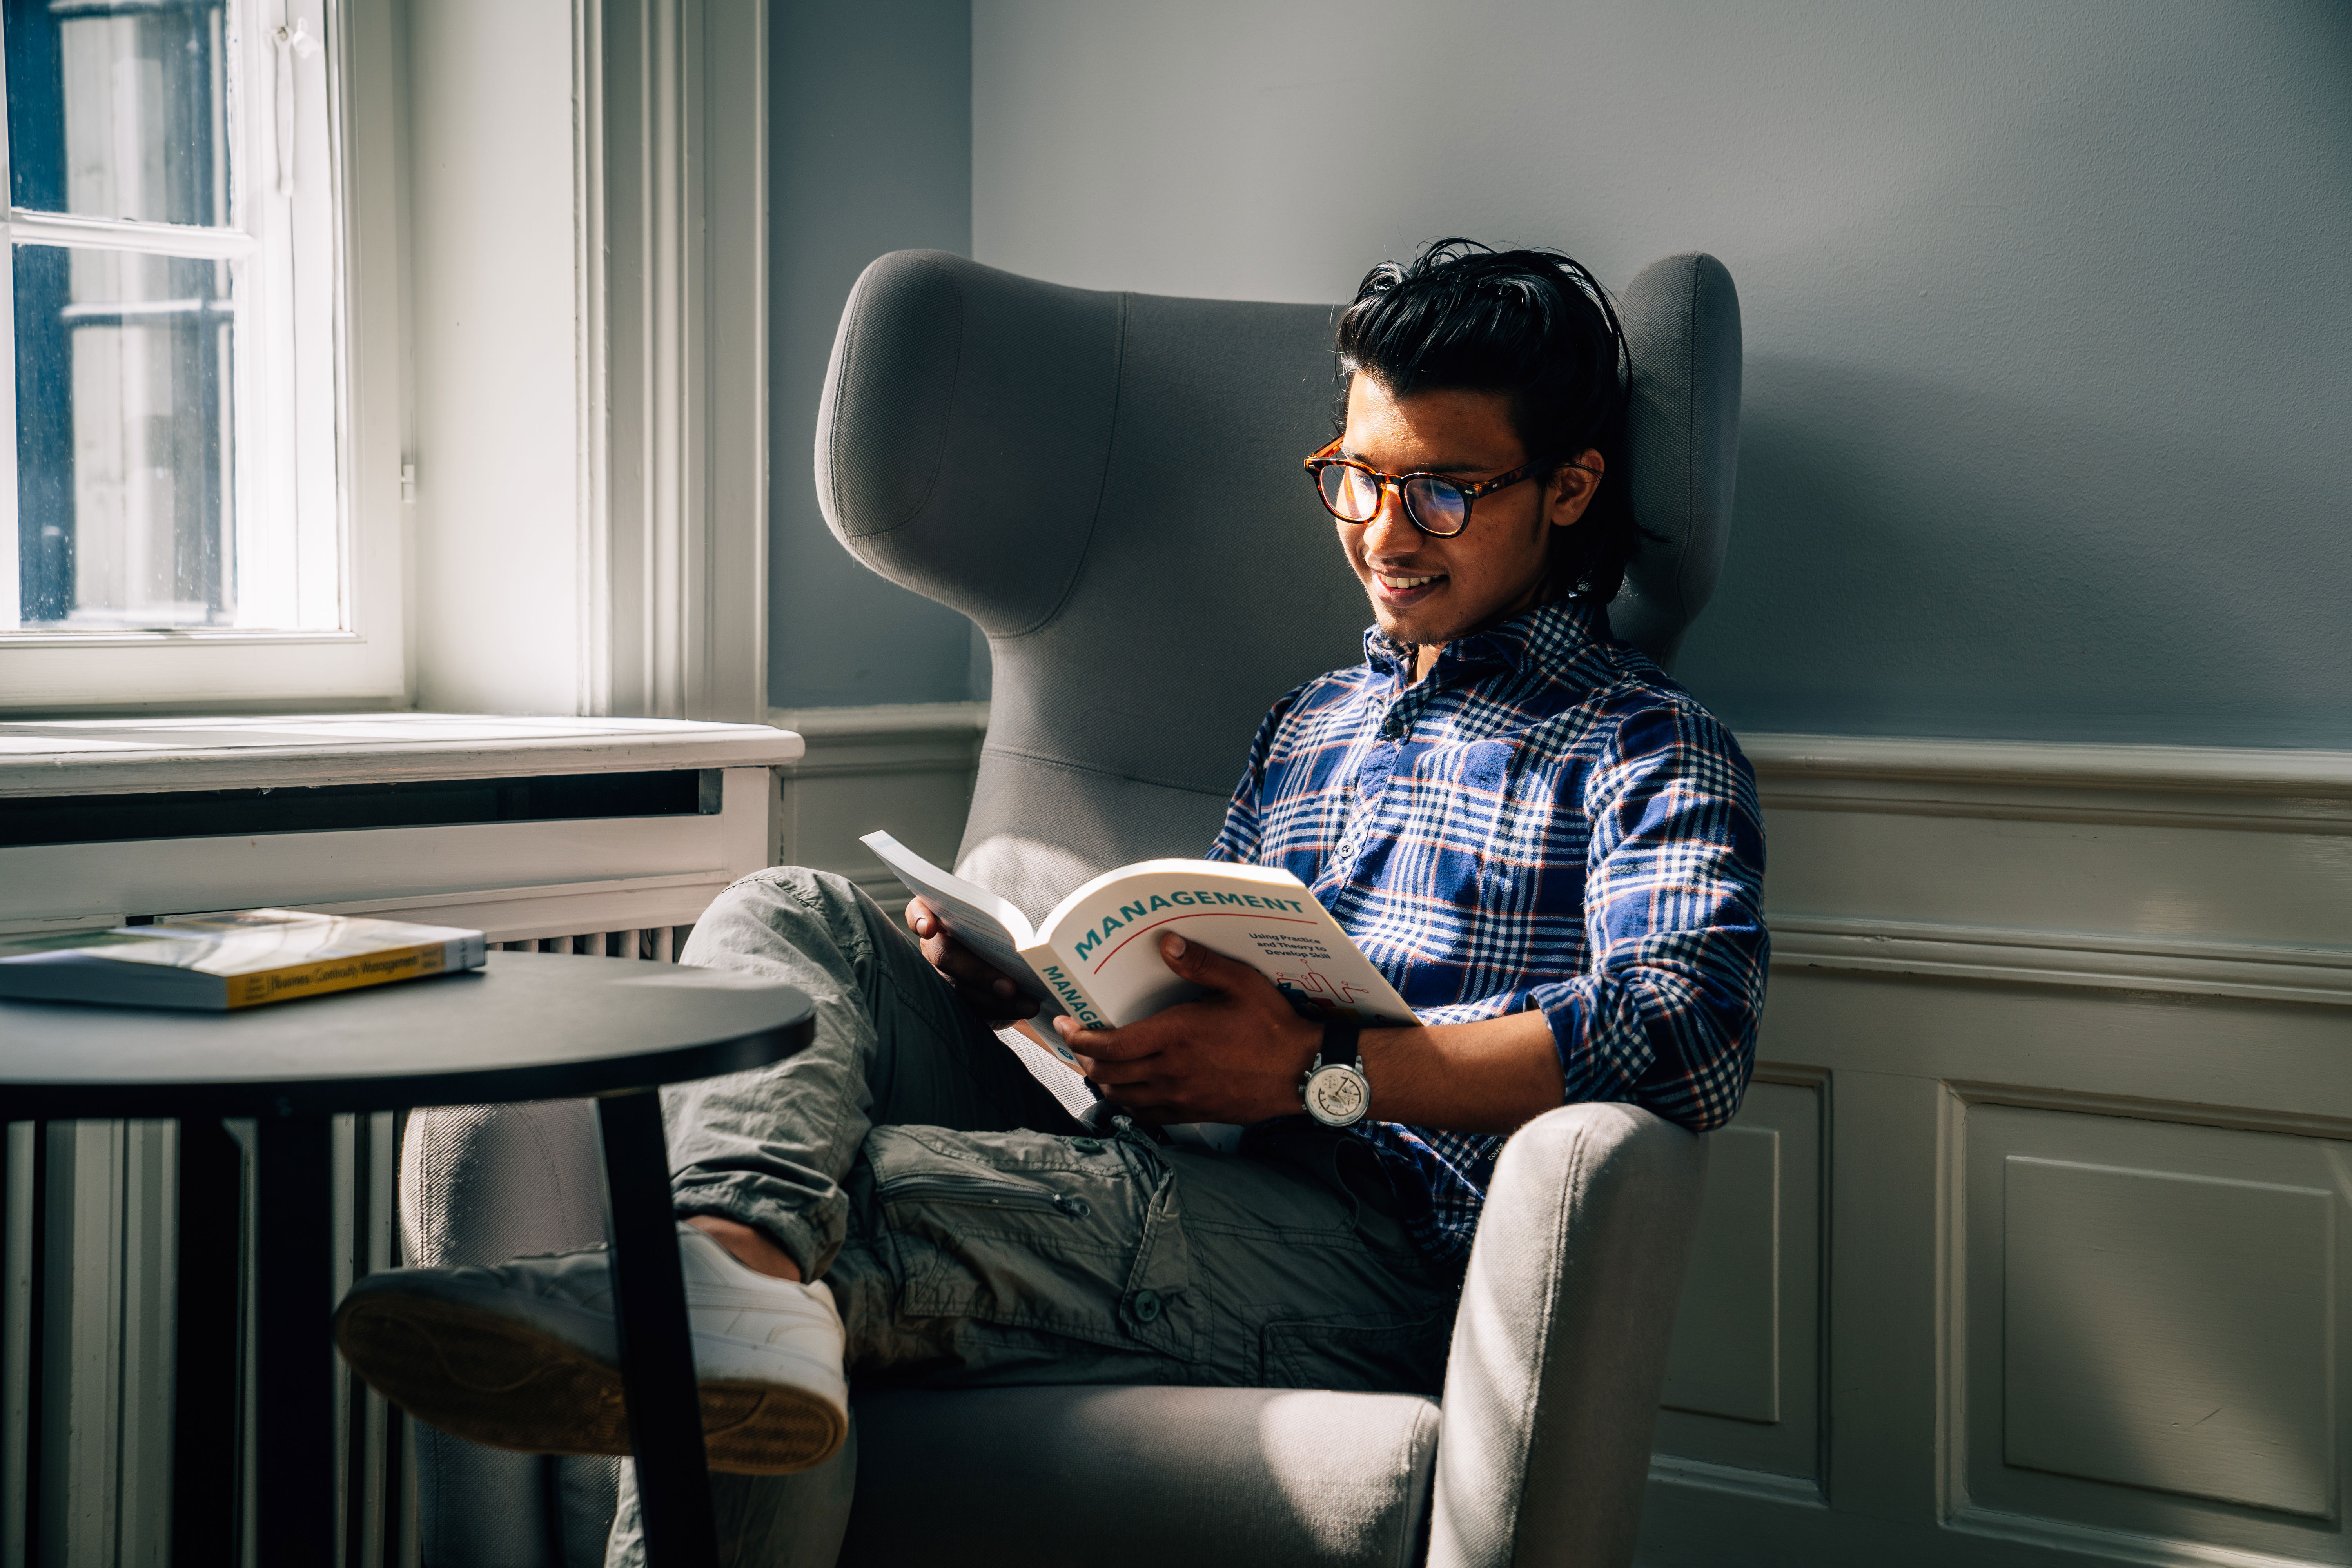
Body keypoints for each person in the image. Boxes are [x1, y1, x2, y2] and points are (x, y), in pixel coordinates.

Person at [335, 238, 1769, 1562]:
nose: (1387, 531)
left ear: (1569, 490)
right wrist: (1047, 999)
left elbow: (1687, 1027)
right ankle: (722, 1262)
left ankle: (699, 1285)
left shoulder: (1645, 745)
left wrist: (1326, 1075)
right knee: (790, 913)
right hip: (1187, 1155)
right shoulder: (1317, 721)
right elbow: (1217, 1000)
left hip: (1372, 1250)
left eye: (1445, 489)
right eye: (1358, 474)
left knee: (867, 1201)